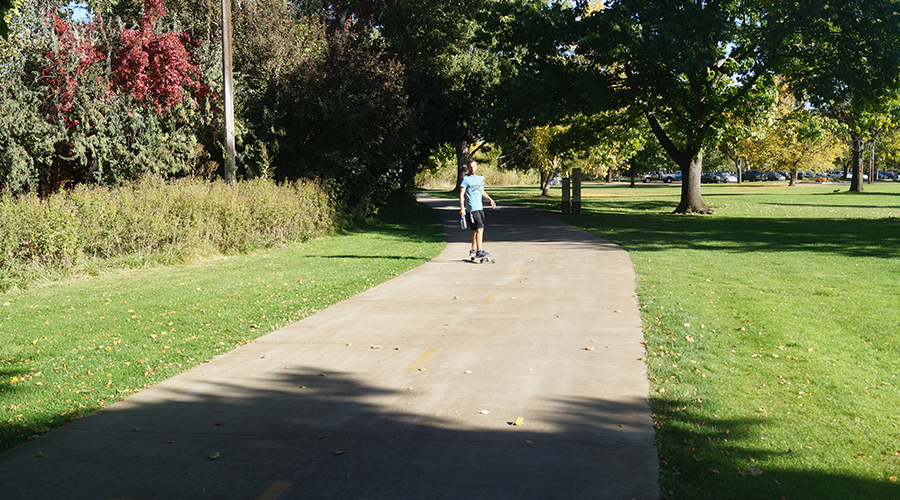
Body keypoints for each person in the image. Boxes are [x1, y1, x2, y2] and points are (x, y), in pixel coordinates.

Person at [459, 160, 496, 258]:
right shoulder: (465, 180)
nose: (472, 168)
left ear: (477, 167)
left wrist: (490, 199)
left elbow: (481, 191)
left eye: (474, 166)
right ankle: (479, 251)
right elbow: (461, 194)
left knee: (477, 230)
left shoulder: (479, 179)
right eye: (471, 167)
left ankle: (473, 250)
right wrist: (462, 208)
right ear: (468, 167)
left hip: (480, 207)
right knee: (480, 229)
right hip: (472, 208)